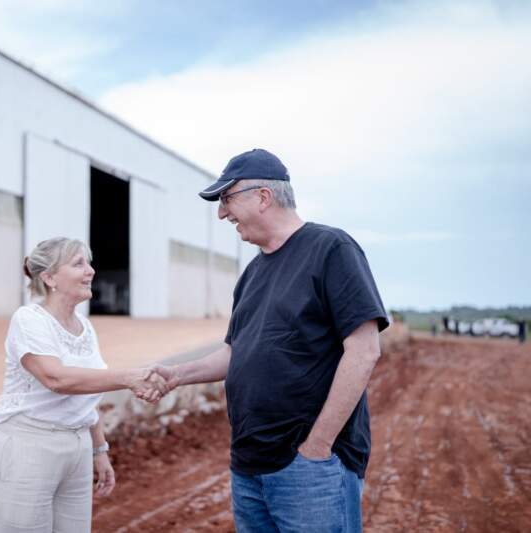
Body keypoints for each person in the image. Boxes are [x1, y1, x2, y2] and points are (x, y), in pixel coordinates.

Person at [150, 149, 389, 533]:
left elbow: (364, 351)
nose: (222, 213)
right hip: (249, 465)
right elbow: (235, 353)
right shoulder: (253, 273)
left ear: (263, 197)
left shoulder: (331, 249)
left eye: (227, 199)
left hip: (308, 468)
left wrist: (317, 447)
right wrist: (176, 374)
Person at [0, 237, 166, 533]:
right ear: (49, 277)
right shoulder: (29, 320)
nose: (90, 270)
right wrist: (128, 378)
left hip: (76, 448)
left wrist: (99, 449)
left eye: (88, 262)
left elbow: (85, 397)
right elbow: (56, 378)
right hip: (29, 446)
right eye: (79, 263)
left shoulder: (85, 327)